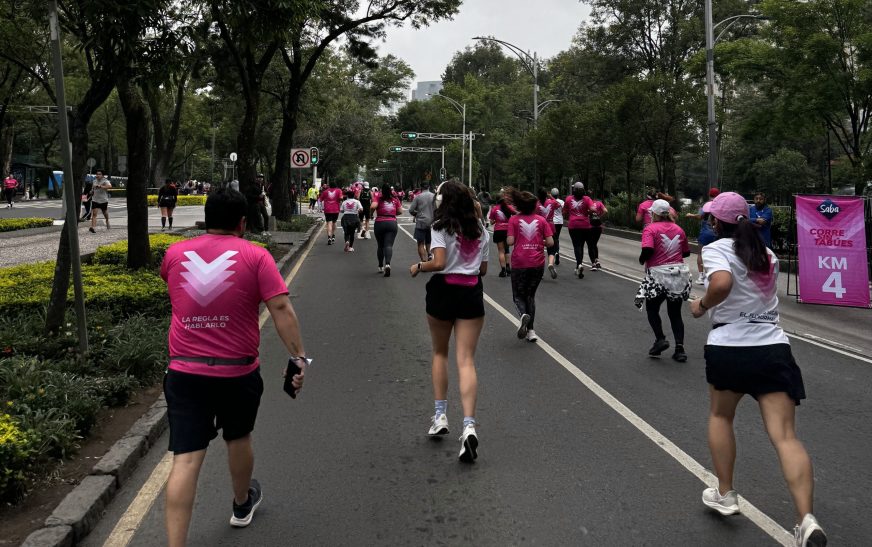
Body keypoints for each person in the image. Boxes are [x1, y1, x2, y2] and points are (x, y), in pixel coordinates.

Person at [159, 188, 308, 547]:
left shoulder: (174, 255)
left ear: (205, 217)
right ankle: (242, 505)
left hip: (185, 371)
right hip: (237, 372)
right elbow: (282, 310)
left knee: (186, 458)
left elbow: (176, 294)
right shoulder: (256, 257)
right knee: (238, 437)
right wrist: (298, 357)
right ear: (243, 223)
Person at [689, 191, 826, 547]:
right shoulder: (767, 255)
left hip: (730, 347)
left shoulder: (716, 248)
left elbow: (721, 284)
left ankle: (726, 493)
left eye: (710, 218)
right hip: (772, 348)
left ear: (716, 222)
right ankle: (806, 520)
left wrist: (701, 306)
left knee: (721, 418)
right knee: (785, 437)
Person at [409, 179, 489, 463]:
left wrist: (419, 266)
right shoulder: (481, 230)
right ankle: (469, 426)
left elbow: (439, 263)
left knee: (440, 353)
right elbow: (483, 268)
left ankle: (440, 415)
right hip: (470, 292)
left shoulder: (440, 227)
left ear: (443, 202)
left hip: (443, 291)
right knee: (466, 360)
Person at [634, 199, 691, 361]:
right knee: (675, 313)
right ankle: (680, 349)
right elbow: (685, 252)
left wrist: (641, 259)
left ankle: (660, 339)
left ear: (655, 214)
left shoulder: (650, 229)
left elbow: (648, 249)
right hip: (678, 275)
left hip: (658, 275)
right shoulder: (679, 229)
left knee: (652, 309)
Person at [507, 189, 554, 342]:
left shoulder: (513, 220)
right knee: (530, 296)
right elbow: (551, 242)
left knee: (517, 295)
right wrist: (539, 241)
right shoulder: (541, 220)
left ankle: (522, 316)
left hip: (520, 262)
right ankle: (531, 331)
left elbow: (510, 241)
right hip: (537, 263)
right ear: (534, 206)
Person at [686, 187, 721, 285]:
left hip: (706, 232)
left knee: (701, 254)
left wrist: (690, 215)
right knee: (715, 255)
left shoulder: (707, 205)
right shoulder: (721, 205)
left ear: (709, 195)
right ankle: (712, 276)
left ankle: (701, 276)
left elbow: (699, 216)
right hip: (717, 233)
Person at [563, 182, 594, 279]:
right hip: (585, 225)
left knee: (577, 246)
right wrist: (588, 212)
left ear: (574, 190)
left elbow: (564, 212)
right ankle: (579, 264)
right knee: (582, 246)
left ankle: (579, 264)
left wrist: (570, 216)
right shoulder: (587, 199)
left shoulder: (568, 199)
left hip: (573, 225)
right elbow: (593, 209)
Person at [370, 182, 402, 276]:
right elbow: (400, 211)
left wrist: (371, 214)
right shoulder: (395, 199)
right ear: (391, 190)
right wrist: (392, 214)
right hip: (392, 222)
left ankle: (380, 266)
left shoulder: (378, 198)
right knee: (388, 245)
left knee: (380, 245)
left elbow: (372, 206)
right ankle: (387, 264)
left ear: (381, 191)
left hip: (380, 222)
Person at [488, 190, 515, 277]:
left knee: (501, 251)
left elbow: (491, 222)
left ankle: (503, 270)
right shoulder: (508, 207)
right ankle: (508, 268)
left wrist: (496, 220)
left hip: (498, 230)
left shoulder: (494, 209)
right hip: (508, 230)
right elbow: (516, 214)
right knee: (507, 250)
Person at [409, 184, 436, 261]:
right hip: (432, 222)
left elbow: (411, 210)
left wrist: (416, 214)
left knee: (420, 243)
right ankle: (430, 254)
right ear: (429, 187)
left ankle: (423, 260)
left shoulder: (418, 197)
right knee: (429, 241)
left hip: (421, 222)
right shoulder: (434, 196)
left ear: (421, 188)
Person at [537, 188, 559, 279]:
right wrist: (551, 197)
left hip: (540, 227)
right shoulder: (552, 202)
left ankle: (540, 272)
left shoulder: (536, 204)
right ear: (546, 195)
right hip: (551, 227)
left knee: (539, 250)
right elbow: (558, 205)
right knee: (552, 248)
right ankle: (550, 263)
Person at [586, 192, 608, 271]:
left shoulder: (588, 203)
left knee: (590, 245)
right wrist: (599, 216)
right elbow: (605, 211)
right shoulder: (599, 203)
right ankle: (597, 261)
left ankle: (593, 264)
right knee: (594, 244)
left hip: (590, 227)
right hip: (598, 227)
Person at [550, 188, 564, 266]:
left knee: (552, 238)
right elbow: (564, 210)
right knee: (557, 238)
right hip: (560, 222)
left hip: (553, 221)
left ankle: (554, 252)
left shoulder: (550, 201)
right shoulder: (562, 202)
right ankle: (557, 252)